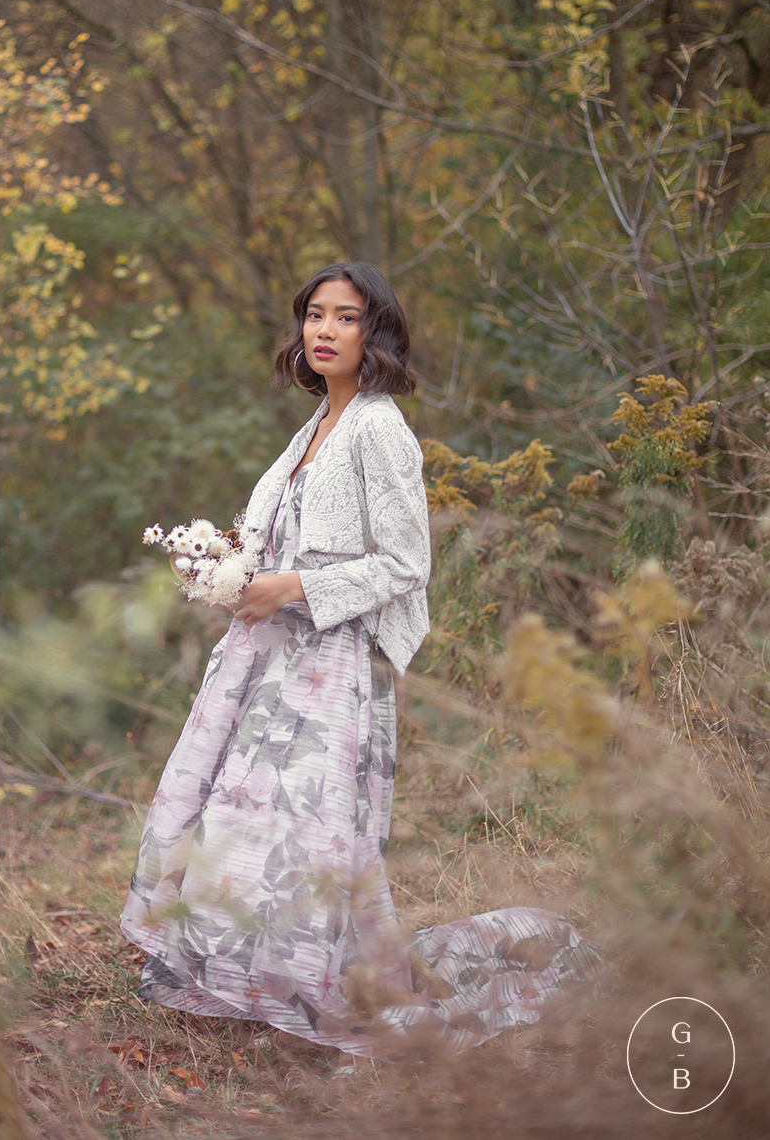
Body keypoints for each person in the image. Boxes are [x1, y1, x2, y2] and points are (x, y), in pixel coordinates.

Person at [121, 262, 598, 1059]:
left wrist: (292, 586)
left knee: (301, 827)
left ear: (374, 333)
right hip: (266, 657)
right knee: (239, 812)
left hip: (331, 661)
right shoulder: (312, 428)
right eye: (315, 315)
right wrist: (223, 567)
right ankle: (235, 975)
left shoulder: (380, 427)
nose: (325, 331)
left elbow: (407, 562)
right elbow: (280, 539)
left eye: (346, 317)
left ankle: (308, 982)